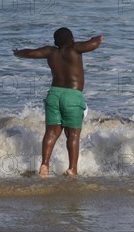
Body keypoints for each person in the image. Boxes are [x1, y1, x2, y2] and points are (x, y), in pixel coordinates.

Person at [13, 27, 104, 177]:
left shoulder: (50, 52)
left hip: (54, 94)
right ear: (72, 39)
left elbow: (31, 53)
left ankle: (45, 164)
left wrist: (18, 53)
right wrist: (99, 38)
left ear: (55, 42)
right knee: (73, 135)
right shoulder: (75, 49)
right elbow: (92, 44)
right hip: (73, 96)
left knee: (51, 132)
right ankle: (72, 169)